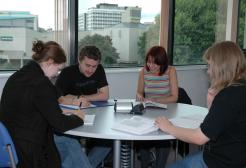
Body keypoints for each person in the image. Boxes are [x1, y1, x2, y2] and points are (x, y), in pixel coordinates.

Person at [155, 41, 246, 168]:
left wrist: (168, 127)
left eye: (209, 66)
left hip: (221, 162)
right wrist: (212, 102)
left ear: (220, 67)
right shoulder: (240, 89)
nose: (208, 71)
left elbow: (199, 138)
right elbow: (221, 123)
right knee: (189, 158)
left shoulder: (227, 96)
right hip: (238, 158)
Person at [0, 40, 85, 168]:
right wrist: (78, 117)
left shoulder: (18, 76)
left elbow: (31, 107)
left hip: (10, 145)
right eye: (58, 69)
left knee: (67, 146)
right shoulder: (41, 84)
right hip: (29, 151)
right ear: (50, 62)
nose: (57, 74)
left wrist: (57, 111)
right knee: (69, 143)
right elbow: (60, 125)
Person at [55, 45, 111, 168]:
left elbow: (105, 95)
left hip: (94, 115)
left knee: (109, 140)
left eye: (94, 66)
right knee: (71, 141)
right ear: (79, 61)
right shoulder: (67, 73)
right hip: (72, 115)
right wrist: (75, 101)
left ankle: (86, 165)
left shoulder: (99, 69)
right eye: (87, 65)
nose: (91, 70)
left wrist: (82, 98)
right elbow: (58, 99)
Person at [135, 46, 179, 168]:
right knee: (143, 138)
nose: (151, 66)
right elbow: (139, 92)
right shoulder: (143, 71)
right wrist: (139, 96)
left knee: (164, 140)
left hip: (167, 110)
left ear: (163, 63)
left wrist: (156, 100)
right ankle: (145, 164)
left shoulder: (171, 71)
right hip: (149, 111)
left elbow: (174, 97)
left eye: (155, 63)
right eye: (149, 62)